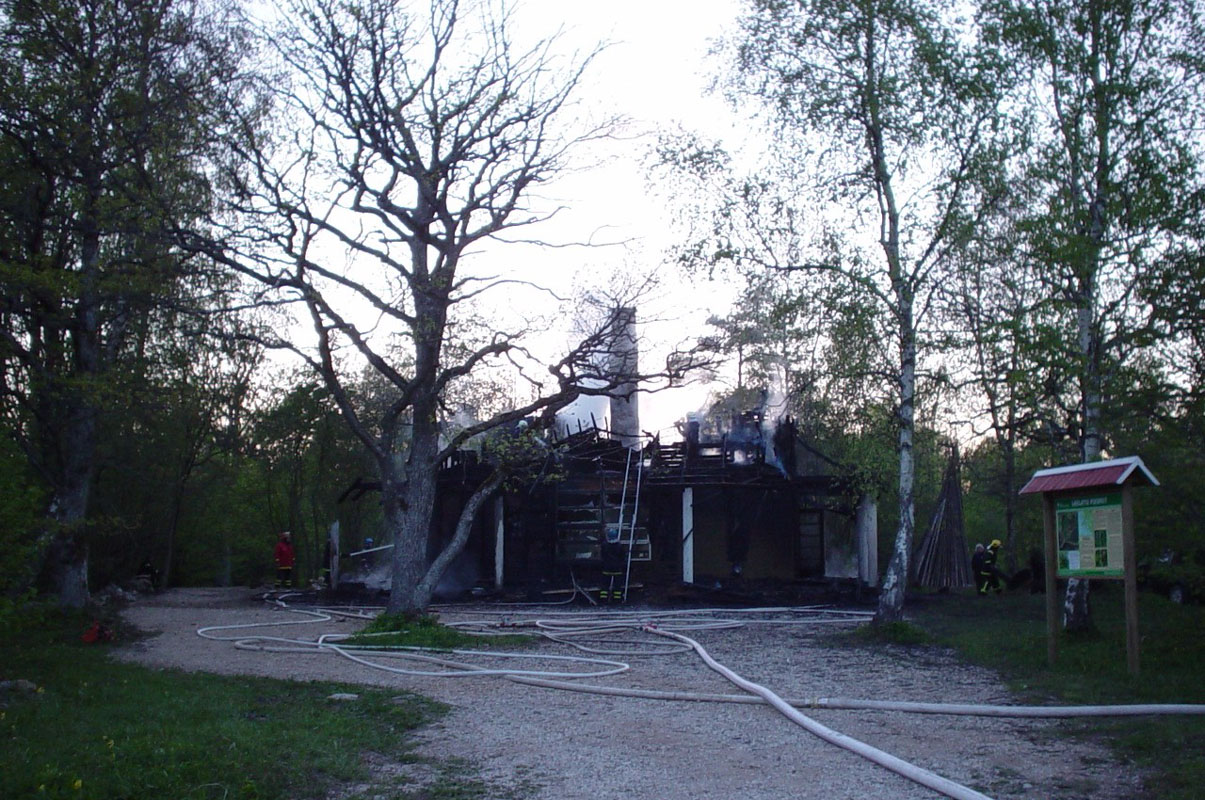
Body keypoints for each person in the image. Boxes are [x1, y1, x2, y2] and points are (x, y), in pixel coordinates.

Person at [598, 526, 625, 604]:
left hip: (606, 568)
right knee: (617, 586)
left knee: (605, 585)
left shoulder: (604, 545)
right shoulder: (620, 545)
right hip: (617, 569)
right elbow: (622, 556)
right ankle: (617, 599)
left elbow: (602, 555)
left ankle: (603, 599)